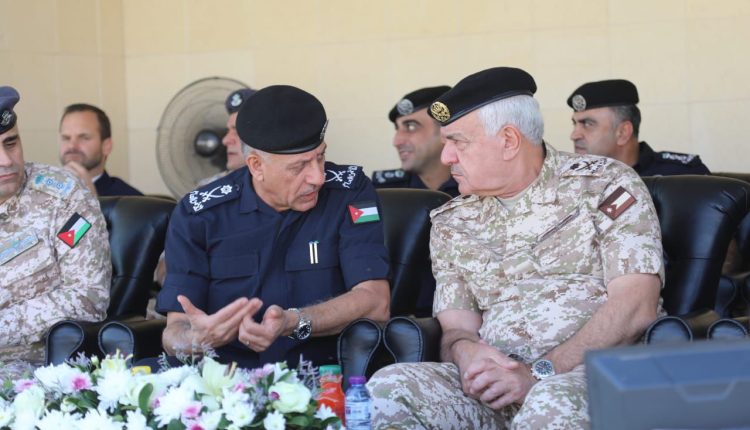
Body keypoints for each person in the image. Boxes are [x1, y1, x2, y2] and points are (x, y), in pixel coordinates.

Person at [367, 67, 665, 429]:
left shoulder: (603, 185)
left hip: (589, 376)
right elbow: (457, 328)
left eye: (458, 142)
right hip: (493, 390)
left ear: (509, 140)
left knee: (550, 402)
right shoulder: (453, 221)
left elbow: (636, 306)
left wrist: (539, 373)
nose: (446, 157)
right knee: (388, 389)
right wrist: (466, 351)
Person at [156, 85, 390, 370]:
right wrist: (196, 339)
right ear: (256, 165)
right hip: (227, 380)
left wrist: (294, 322)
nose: (317, 177)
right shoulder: (199, 214)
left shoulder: (350, 193)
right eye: (299, 167)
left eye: (320, 157)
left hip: (323, 376)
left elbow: (375, 301)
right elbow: (174, 331)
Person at [0, 86, 111, 377]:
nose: (6, 160)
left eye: (11, 143)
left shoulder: (63, 197)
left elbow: (88, 298)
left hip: (29, 373)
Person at [568, 79, 710, 176]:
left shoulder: (681, 175)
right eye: (575, 124)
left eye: (588, 124)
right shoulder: (570, 181)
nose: (574, 135)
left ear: (623, 132)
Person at [372, 85, 459, 197]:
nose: (397, 142)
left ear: (446, 130)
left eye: (411, 126)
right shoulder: (382, 192)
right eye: (397, 129)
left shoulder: (476, 187)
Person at [59, 103, 143, 196]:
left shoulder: (130, 199)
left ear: (106, 146)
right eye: (66, 138)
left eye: (84, 138)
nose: (72, 146)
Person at [197, 87, 257, 186]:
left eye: (238, 131)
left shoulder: (283, 188)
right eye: (228, 131)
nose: (225, 140)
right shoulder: (208, 189)